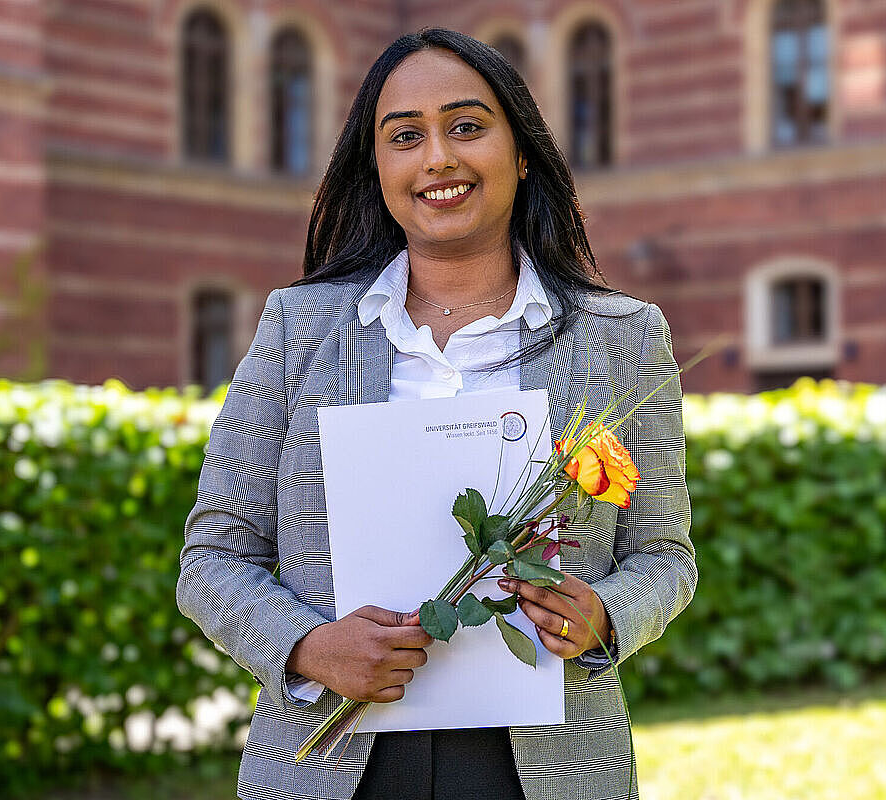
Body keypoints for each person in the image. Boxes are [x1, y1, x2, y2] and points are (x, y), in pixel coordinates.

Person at [177, 27, 696, 800]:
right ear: (378, 167)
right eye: (405, 137)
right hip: (330, 762)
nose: (438, 160)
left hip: (546, 766)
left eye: (466, 127)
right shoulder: (299, 329)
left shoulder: (620, 337)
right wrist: (309, 645)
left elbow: (665, 557)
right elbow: (213, 557)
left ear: (521, 154)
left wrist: (607, 617)